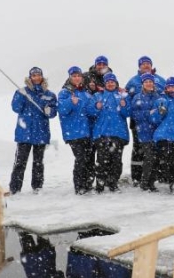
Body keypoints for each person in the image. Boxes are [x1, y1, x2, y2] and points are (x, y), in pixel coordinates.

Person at [9, 67, 58, 194]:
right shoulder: (21, 92)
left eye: (38, 75)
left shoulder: (49, 94)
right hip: (24, 133)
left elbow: (53, 113)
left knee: (38, 162)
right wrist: (22, 96)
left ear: (42, 77)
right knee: (20, 162)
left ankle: (37, 187)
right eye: (34, 76)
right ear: (30, 77)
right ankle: (15, 188)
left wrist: (49, 111)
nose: (36, 78)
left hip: (41, 132)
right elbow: (16, 108)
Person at [125, 56, 167, 186]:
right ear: (139, 66)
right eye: (143, 64)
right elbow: (127, 99)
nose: (146, 66)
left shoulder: (160, 80)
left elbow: (165, 97)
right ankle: (137, 177)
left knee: (156, 150)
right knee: (139, 149)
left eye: (148, 63)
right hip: (139, 124)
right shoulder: (133, 81)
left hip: (157, 123)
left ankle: (158, 176)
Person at [88, 73, 131, 193]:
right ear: (105, 84)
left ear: (116, 83)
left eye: (112, 82)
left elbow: (128, 113)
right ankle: (100, 185)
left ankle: (113, 183)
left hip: (118, 134)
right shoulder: (97, 96)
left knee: (116, 162)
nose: (110, 84)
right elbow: (90, 112)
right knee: (101, 161)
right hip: (101, 134)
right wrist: (96, 107)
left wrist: (124, 106)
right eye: (108, 82)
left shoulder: (122, 95)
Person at [58, 66, 95, 194]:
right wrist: (70, 102)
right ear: (70, 77)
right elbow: (62, 110)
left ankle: (88, 184)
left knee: (89, 159)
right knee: (81, 159)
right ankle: (79, 186)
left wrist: (97, 107)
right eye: (74, 76)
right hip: (73, 132)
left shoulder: (86, 93)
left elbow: (91, 111)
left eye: (79, 75)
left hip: (87, 132)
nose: (77, 78)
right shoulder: (65, 92)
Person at [131, 73, 163, 191]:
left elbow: (161, 112)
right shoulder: (137, 98)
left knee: (156, 158)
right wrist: (148, 113)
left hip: (157, 132)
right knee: (149, 157)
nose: (149, 84)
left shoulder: (158, 97)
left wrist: (157, 113)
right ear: (143, 84)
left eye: (151, 82)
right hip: (144, 131)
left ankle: (151, 182)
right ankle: (144, 182)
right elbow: (135, 115)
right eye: (146, 82)